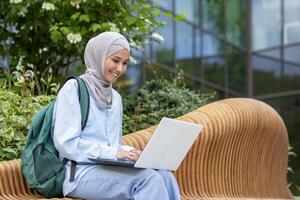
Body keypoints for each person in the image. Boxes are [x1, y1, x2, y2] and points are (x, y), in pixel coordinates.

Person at [51, 32, 181, 200]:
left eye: (125, 63)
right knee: (148, 180)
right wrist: (115, 154)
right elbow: (67, 144)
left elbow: (112, 144)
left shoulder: (115, 98)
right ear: (99, 55)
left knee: (165, 175)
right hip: (79, 174)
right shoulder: (74, 89)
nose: (120, 69)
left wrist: (133, 152)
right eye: (115, 60)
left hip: (107, 169)